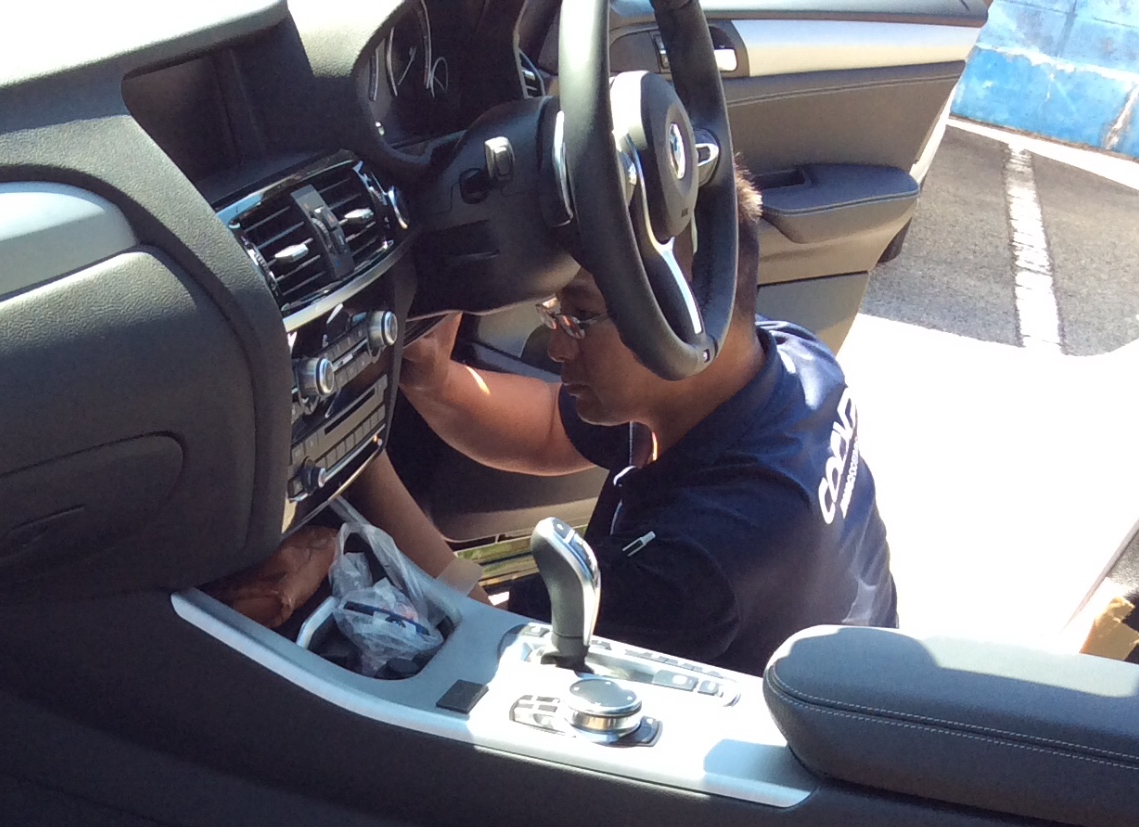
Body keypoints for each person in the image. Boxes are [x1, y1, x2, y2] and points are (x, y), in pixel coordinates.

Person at [349, 171, 897, 676]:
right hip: (858, 656)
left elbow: (496, 640)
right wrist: (434, 381)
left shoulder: (696, 565)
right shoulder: (786, 358)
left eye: (580, 316)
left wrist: (360, 463)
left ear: (684, 316)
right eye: (556, 310)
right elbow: (552, 429)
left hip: (775, 733)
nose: (557, 345)